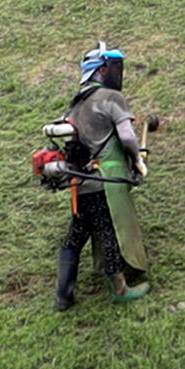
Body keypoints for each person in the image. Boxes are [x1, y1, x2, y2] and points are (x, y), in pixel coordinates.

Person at [55, 42, 150, 308]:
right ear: (102, 71)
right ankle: (120, 289)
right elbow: (128, 137)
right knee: (108, 230)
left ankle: (63, 296)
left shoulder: (74, 106)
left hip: (79, 182)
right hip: (104, 181)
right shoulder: (111, 98)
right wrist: (138, 161)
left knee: (76, 235)